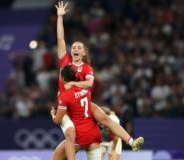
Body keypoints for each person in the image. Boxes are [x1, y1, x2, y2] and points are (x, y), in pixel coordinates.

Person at [55, 2, 143, 159]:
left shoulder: (87, 68)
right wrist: (60, 17)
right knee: (71, 134)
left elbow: (89, 84)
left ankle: (131, 141)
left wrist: (73, 84)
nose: (75, 49)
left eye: (79, 48)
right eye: (73, 47)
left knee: (105, 118)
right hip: (66, 102)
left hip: (82, 102)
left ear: (83, 53)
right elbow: (60, 38)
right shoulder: (65, 62)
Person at [51, 65, 102, 160]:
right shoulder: (85, 90)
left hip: (76, 135)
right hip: (89, 132)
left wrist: (53, 114)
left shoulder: (64, 95)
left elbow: (58, 120)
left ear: (63, 78)